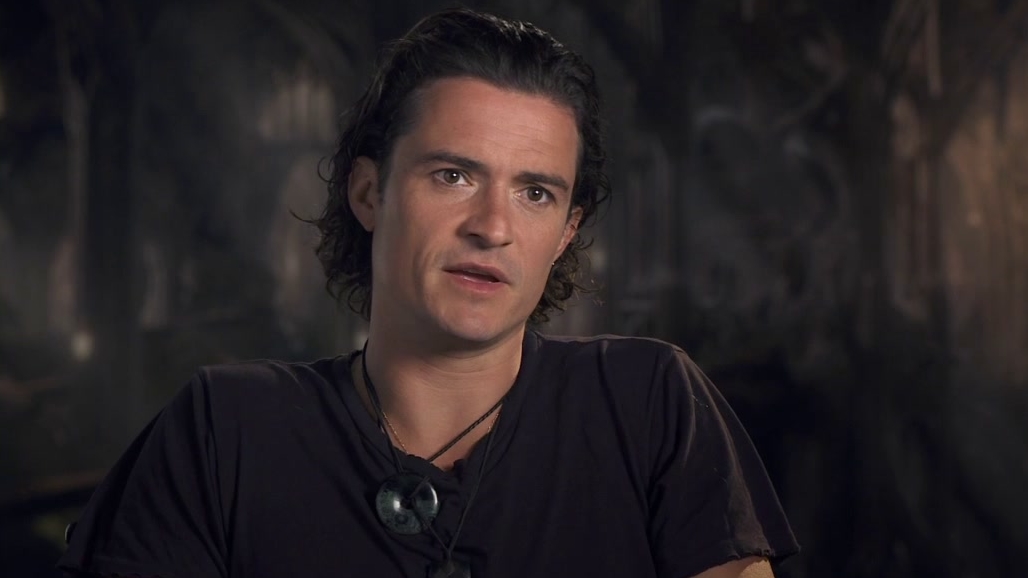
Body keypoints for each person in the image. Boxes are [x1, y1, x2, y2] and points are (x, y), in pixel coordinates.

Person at [59, 8, 799, 578]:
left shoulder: (648, 403)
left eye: (536, 193)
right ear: (369, 192)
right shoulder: (226, 428)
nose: (493, 227)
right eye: (453, 175)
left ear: (567, 231)